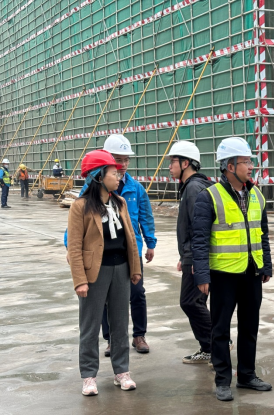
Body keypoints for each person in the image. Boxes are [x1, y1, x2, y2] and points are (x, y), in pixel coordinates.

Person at [192, 137, 272, 402]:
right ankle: (223, 380)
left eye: (250, 161)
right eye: (246, 162)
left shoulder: (256, 195)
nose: (251, 166)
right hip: (223, 275)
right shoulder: (209, 196)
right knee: (220, 330)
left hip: (251, 272)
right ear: (229, 166)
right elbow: (199, 240)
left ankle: (247, 375)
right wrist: (202, 274)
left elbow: (263, 234)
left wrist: (266, 265)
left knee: (249, 327)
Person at [65, 134, 157, 356]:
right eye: (118, 160)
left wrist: (150, 243)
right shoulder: (92, 188)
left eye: (126, 160)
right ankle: (110, 340)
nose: (123, 165)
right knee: (106, 299)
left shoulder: (135, 188)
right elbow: (77, 219)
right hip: (102, 253)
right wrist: (70, 246)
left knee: (137, 293)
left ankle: (139, 335)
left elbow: (146, 217)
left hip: (130, 251)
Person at [67, 149, 142, 396]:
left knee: (120, 323)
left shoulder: (120, 203)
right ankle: (89, 376)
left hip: (121, 269)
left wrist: (135, 268)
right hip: (94, 273)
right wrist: (80, 280)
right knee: (89, 326)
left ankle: (122, 371)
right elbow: (74, 247)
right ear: (99, 176)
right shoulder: (80, 207)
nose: (118, 177)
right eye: (113, 173)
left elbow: (130, 237)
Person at [167, 141, 218, 365]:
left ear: (186, 163)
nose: (170, 166)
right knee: (194, 302)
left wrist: (197, 259)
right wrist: (184, 257)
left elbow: (200, 228)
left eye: (173, 161)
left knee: (191, 302)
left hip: (198, 257)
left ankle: (217, 344)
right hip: (193, 255)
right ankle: (209, 347)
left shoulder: (193, 189)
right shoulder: (193, 186)